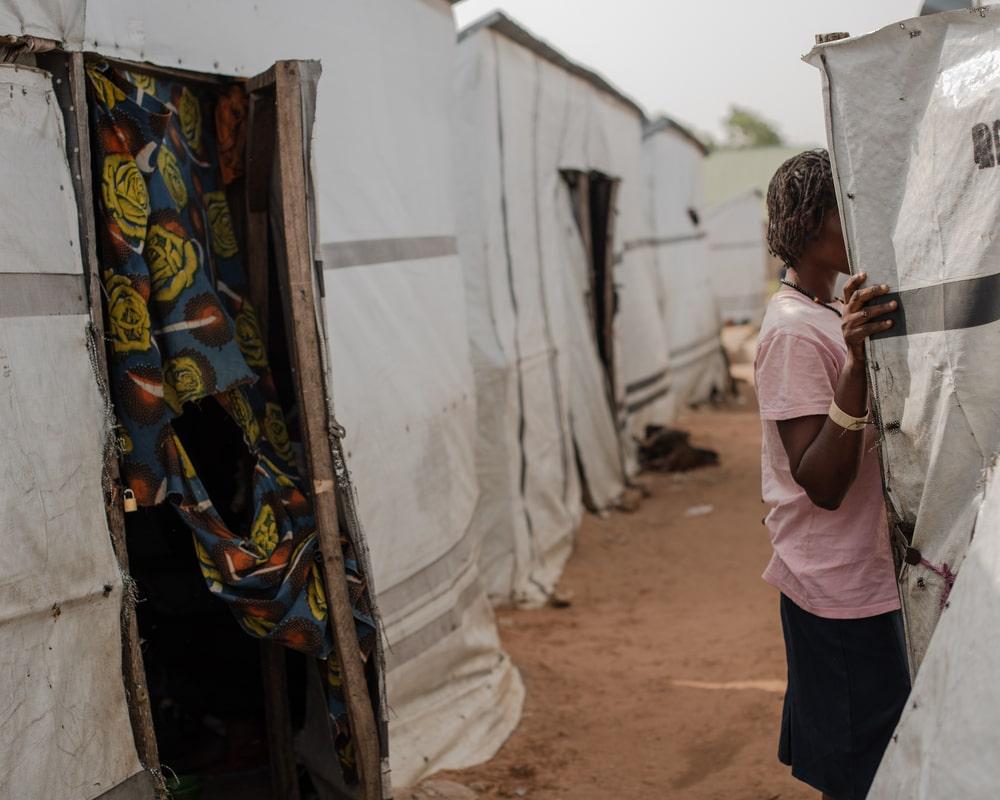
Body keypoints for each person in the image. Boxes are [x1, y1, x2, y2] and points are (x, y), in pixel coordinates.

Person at [754, 149, 910, 800]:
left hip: (861, 581)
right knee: (860, 774)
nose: (858, 223)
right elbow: (820, 482)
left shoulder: (822, 312)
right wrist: (853, 361)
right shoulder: (795, 332)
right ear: (817, 221)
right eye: (846, 209)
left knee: (876, 761)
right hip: (837, 594)